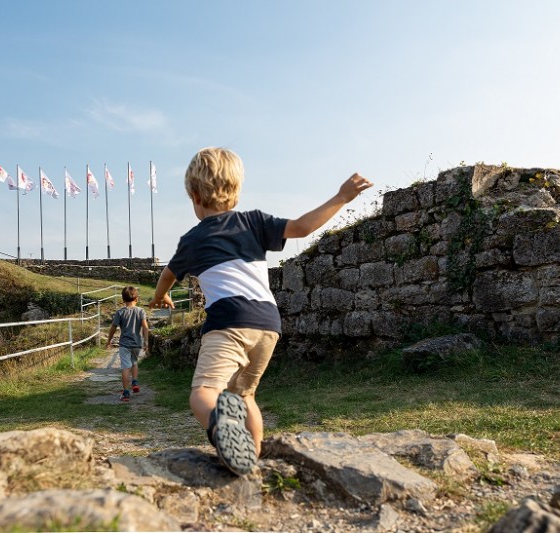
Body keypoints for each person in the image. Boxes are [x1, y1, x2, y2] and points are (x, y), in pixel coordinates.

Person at [150, 147, 373, 475]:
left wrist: (161, 297)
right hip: (268, 323)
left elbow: (168, 274)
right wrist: (341, 197)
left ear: (194, 196)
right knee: (245, 393)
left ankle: (223, 426)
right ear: (236, 194)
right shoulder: (253, 222)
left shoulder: (192, 240)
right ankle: (248, 458)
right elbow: (300, 228)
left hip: (229, 320)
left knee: (204, 393)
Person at [106, 286, 150, 403]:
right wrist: (146, 342)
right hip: (137, 343)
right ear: (137, 298)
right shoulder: (141, 311)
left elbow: (113, 328)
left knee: (126, 367)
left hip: (124, 344)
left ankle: (126, 392)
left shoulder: (120, 312)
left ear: (123, 299)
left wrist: (109, 340)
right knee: (134, 363)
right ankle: (134, 381)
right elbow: (145, 327)